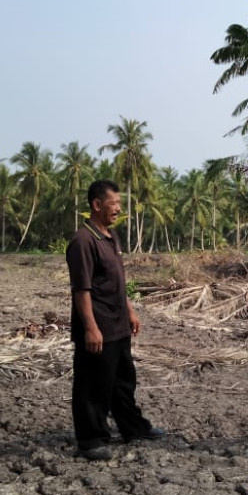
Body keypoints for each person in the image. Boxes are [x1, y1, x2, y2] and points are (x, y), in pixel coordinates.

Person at [66, 180, 164, 460]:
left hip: (118, 324)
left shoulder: (111, 237)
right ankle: (90, 440)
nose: (119, 208)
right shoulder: (83, 241)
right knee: (92, 386)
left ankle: (134, 427)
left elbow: (116, 281)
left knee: (123, 381)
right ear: (97, 205)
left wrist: (130, 311)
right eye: (114, 203)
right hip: (98, 327)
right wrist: (90, 328)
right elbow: (81, 289)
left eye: (120, 203)